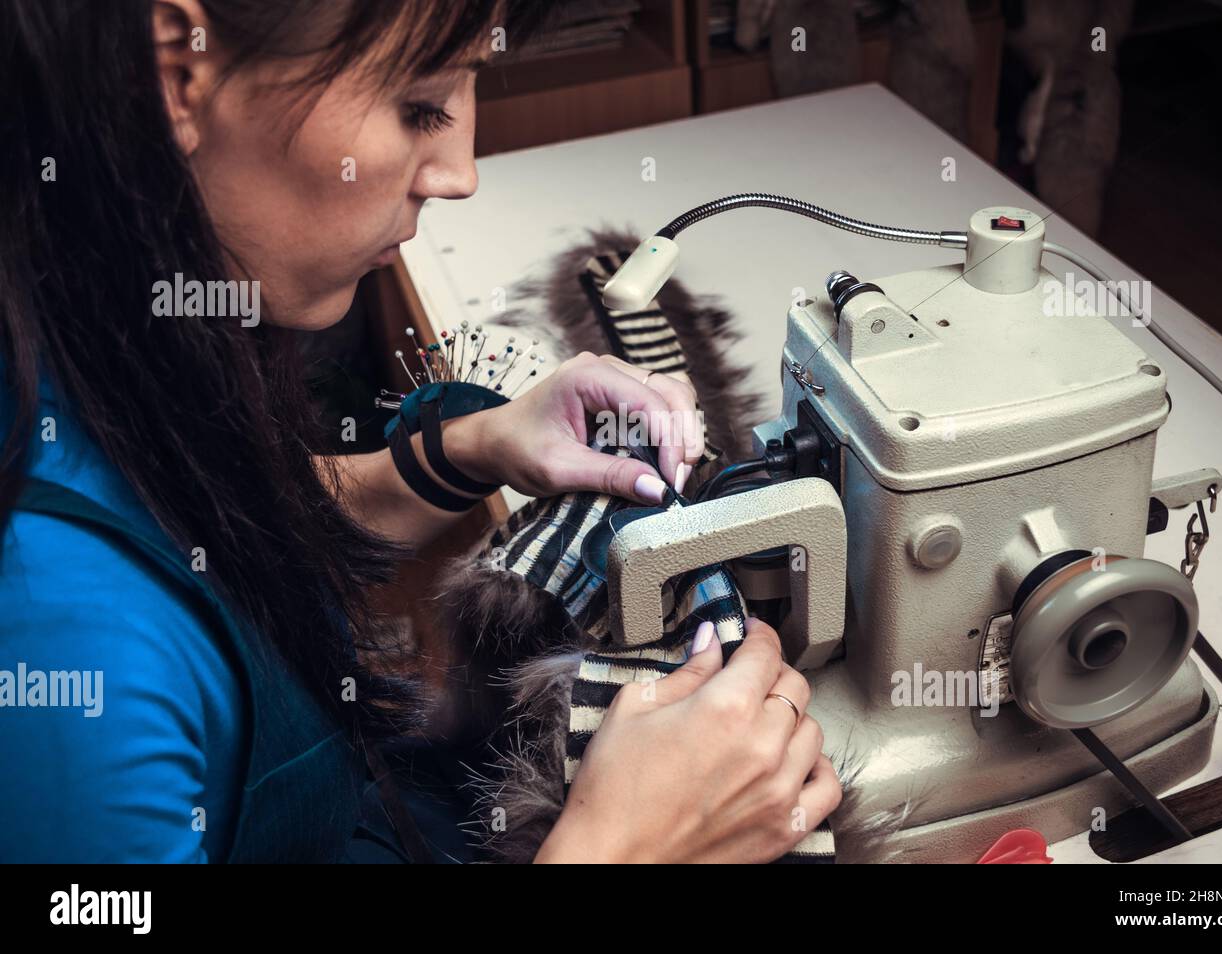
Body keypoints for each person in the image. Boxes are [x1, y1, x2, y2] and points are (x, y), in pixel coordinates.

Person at [0, 0, 841, 863]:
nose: (459, 172)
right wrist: (625, 845)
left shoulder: (81, 335)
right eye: (420, 106)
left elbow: (203, 538)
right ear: (178, 72)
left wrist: (470, 449)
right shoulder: (72, 670)